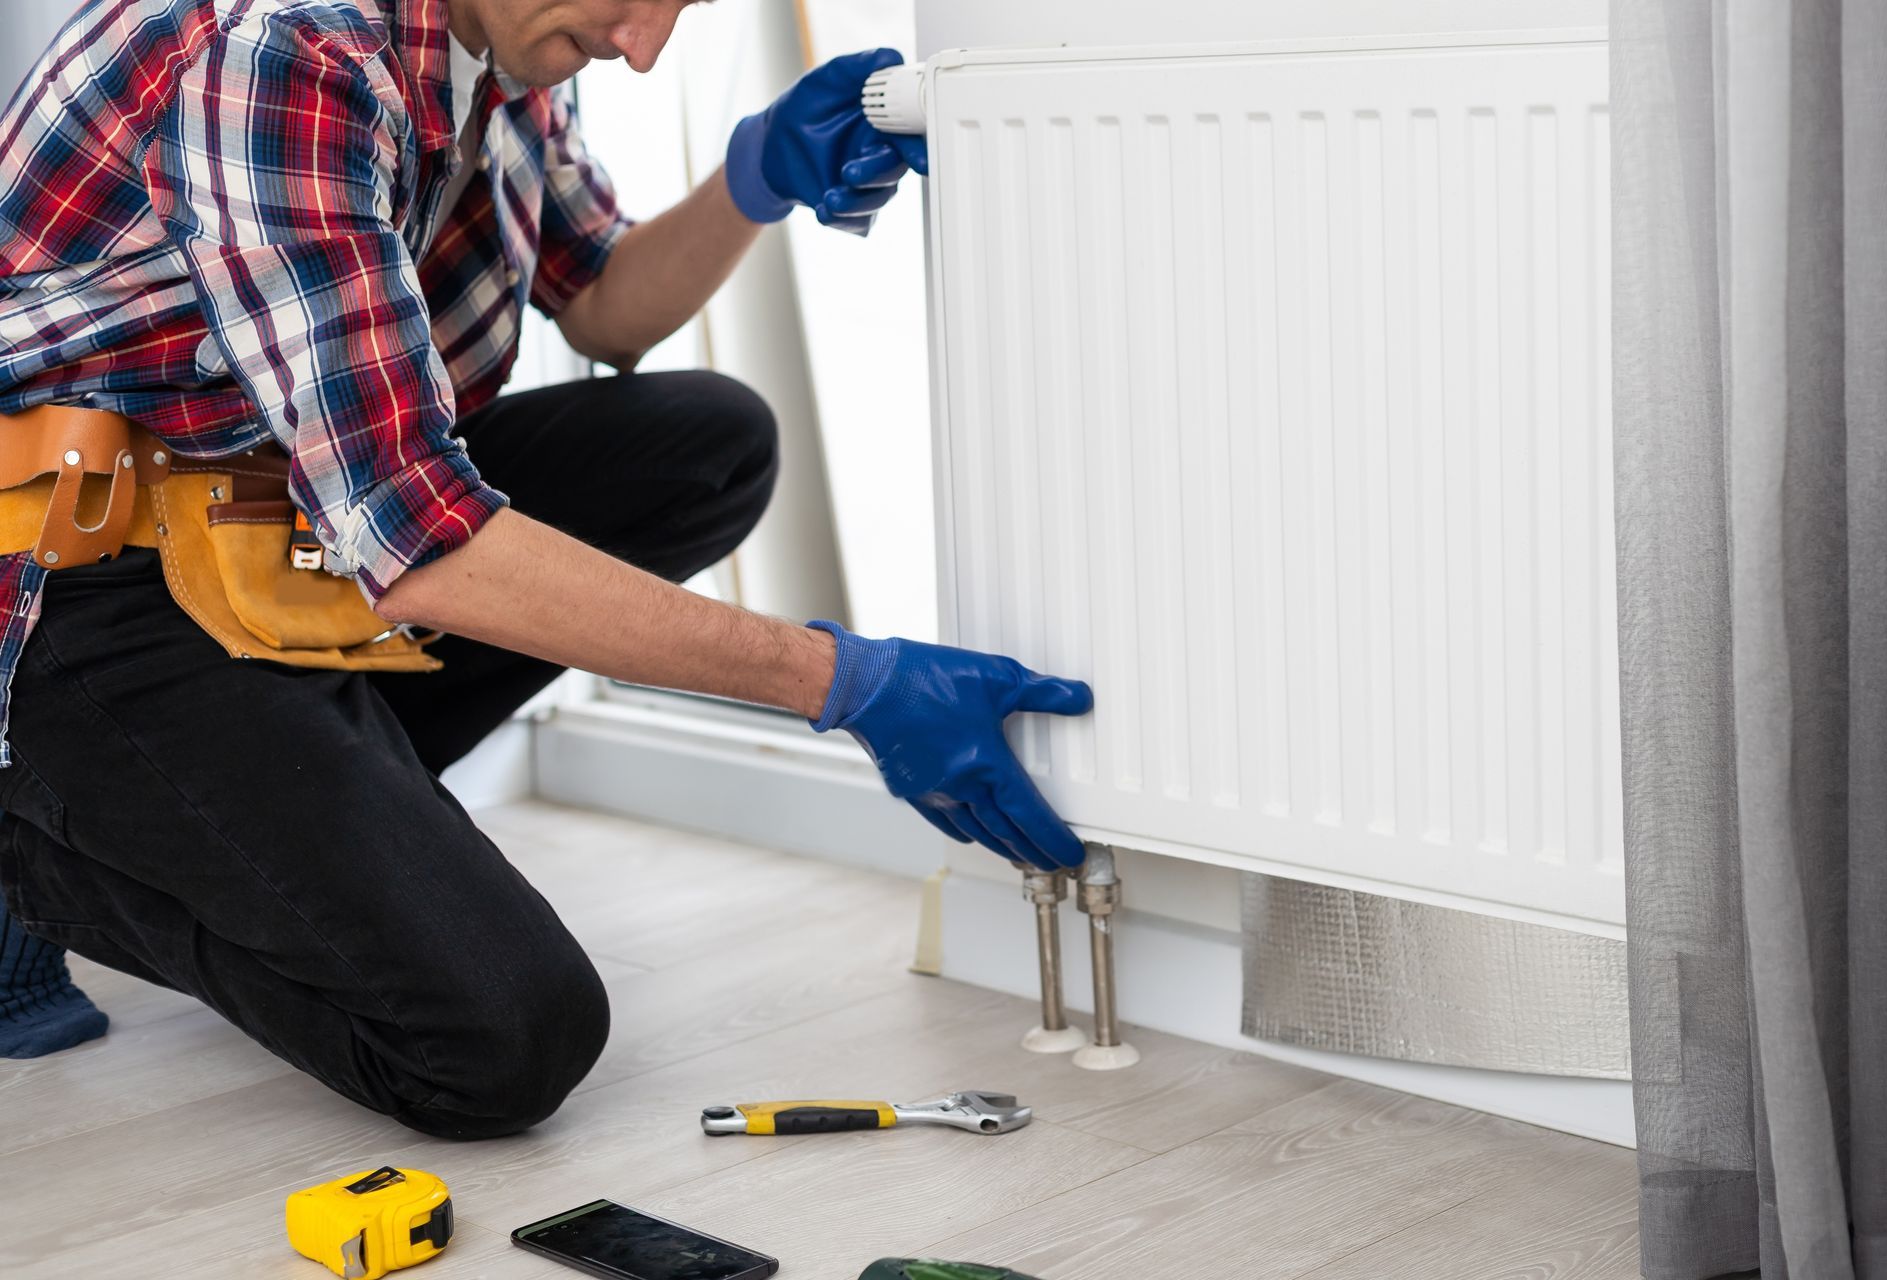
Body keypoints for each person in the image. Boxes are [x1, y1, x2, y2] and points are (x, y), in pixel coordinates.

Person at [0, 0, 1093, 1136]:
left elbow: (607, 307)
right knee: (497, 1043)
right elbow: (413, 532)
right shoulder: (282, 51)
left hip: (278, 540)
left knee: (706, 445)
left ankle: (297, 801)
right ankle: (35, 841)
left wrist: (755, 175)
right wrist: (839, 680)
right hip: (76, 588)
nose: (645, 45)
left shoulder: (501, 49)